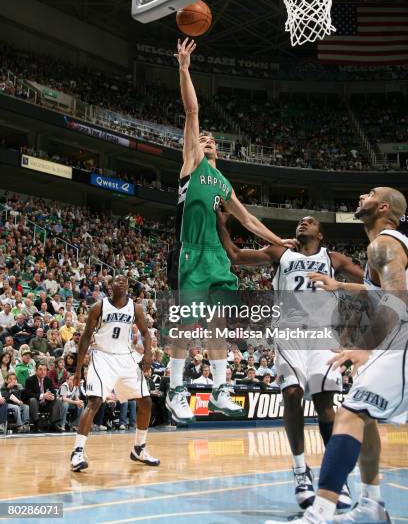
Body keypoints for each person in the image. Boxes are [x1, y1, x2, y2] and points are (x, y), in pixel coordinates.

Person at [166, 38, 294, 425]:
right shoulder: (191, 162)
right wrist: (184, 68)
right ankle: (175, 389)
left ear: (218, 150)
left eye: (211, 140)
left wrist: (278, 241)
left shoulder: (222, 183)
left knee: (220, 320)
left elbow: (249, 221)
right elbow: (192, 109)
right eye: (202, 138)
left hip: (217, 256)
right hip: (191, 251)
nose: (206, 139)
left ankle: (220, 388)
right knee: (187, 323)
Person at [269, 187, 408, 524]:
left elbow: (397, 300)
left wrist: (363, 347)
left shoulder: (384, 245)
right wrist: (340, 286)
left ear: (383, 207)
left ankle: (319, 514)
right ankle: (372, 504)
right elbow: (380, 290)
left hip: (400, 343)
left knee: (349, 414)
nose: (363, 195)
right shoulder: (388, 245)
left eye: (371, 193)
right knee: (363, 416)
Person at [218, 213, 364, 511]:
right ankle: (300, 471)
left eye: (310, 222)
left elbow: (371, 281)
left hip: (323, 336)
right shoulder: (279, 253)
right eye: (300, 221)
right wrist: (222, 223)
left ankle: (336, 479)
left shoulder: (332, 258)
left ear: (321, 234)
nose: (303, 223)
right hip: (289, 332)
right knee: (291, 392)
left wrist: (343, 289)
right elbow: (234, 255)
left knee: (325, 405)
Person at [70, 274, 159, 472]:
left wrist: (148, 355)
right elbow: (85, 338)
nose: (122, 284)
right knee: (94, 401)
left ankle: (139, 448)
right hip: (102, 356)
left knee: (145, 401)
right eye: (118, 281)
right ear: (110, 286)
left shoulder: (134, 307)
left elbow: (145, 333)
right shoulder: (98, 307)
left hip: (126, 357)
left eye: (125, 282)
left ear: (128, 287)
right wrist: (78, 370)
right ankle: (77, 452)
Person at [24, 361, 64, 432]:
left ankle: (53, 424)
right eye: (40, 369)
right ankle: (36, 424)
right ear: (36, 370)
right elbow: (28, 394)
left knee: (57, 400)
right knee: (32, 400)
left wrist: (52, 396)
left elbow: (53, 391)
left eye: (45, 370)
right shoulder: (29, 380)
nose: (43, 372)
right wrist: (43, 395)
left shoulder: (48, 380)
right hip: (35, 404)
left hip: (46, 404)